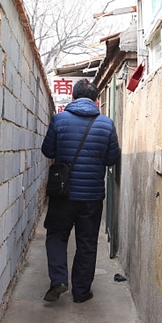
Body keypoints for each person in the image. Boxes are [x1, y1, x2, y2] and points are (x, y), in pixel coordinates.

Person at [41, 79, 120, 303]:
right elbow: (112, 158)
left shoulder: (59, 119)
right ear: (97, 101)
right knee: (87, 242)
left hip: (63, 194)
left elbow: (48, 150)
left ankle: (58, 279)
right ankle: (81, 292)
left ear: (72, 98)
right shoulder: (106, 124)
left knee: (56, 235)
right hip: (92, 197)